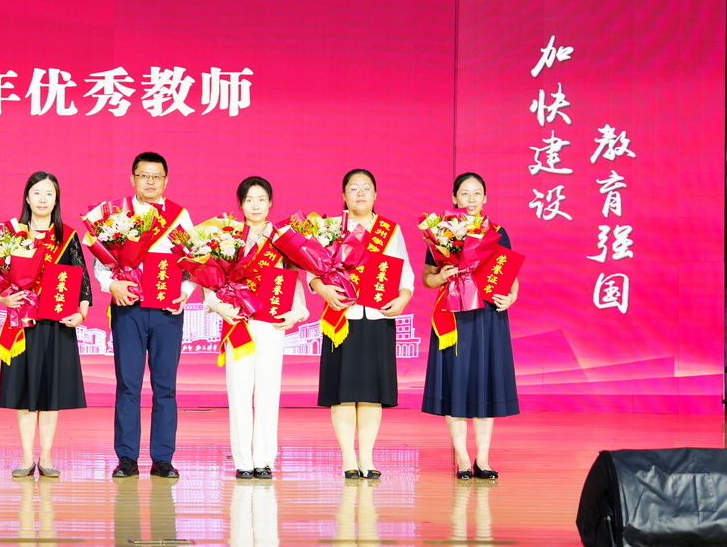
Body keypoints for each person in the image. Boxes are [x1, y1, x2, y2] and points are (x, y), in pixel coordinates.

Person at [84, 152, 196, 479]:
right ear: (132, 178)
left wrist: (184, 293)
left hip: (166, 311)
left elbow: (193, 262)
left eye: (156, 176)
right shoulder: (116, 215)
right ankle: (126, 458)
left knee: (165, 387)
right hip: (128, 309)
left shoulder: (179, 216)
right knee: (128, 385)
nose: (150, 182)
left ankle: (163, 459)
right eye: (144, 175)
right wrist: (111, 285)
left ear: (166, 180)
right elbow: (101, 263)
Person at [309, 168, 414, 479]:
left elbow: (405, 272)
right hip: (341, 317)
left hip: (378, 318)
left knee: (372, 392)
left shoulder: (390, 230)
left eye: (366, 187)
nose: (360, 193)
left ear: (376, 195)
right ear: (343, 195)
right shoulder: (330, 228)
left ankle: (367, 458)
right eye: (353, 188)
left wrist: (404, 297)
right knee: (343, 391)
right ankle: (348, 458)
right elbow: (311, 270)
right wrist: (322, 289)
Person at [204, 177, 307, 479]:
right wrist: (218, 305)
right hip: (239, 322)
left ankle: (264, 459)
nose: (256, 205)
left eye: (261, 199)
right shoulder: (227, 237)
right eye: (249, 199)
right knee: (238, 392)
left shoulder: (282, 239)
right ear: (240, 204)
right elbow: (209, 278)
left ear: (271, 203)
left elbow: (293, 280)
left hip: (271, 323)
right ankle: (242, 460)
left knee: (268, 391)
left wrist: (296, 313)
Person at [421, 172, 519, 480]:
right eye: (465, 193)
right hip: (454, 316)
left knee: (485, 384)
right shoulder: (441, 232)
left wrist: (511, 297)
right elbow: (427, 278)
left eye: (477, 193)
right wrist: (442, 276)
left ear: (485, 198)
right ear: (454, 198)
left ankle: (483, 458)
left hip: (488, 316)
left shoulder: (498, 233)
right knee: (457, 385)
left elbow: (510, 276)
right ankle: (463, 457)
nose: (472, 199)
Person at [0, 171, 90, 478]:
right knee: (25, 394)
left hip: (56, 324)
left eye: (49, 193)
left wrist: (82, 313)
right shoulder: (12, 234)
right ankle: (26, 457)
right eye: (37, 193)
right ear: (27, 197)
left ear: (56, 199)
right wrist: (2, 297)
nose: (43, 199)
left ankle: (46, 457)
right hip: (22, 323)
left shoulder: (67, 236)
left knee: (51, 394)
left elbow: (82, 281)